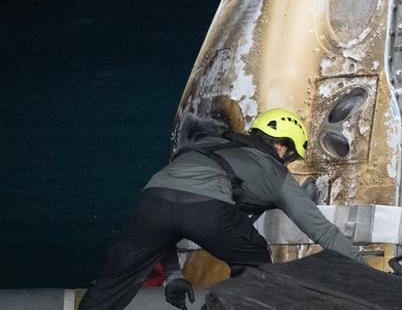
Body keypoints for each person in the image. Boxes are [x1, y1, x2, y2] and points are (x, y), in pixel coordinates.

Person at [80, 108, 360, 310]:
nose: (287, 162)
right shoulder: (275, 173)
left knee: (111, 285)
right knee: (255, 259)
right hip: (207, 209)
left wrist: (174, 276)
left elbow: (169, 217)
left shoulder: (205, 145)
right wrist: (365, 271)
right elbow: (321, 230)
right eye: (290, 156)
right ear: (281, 147)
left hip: (152, 198)